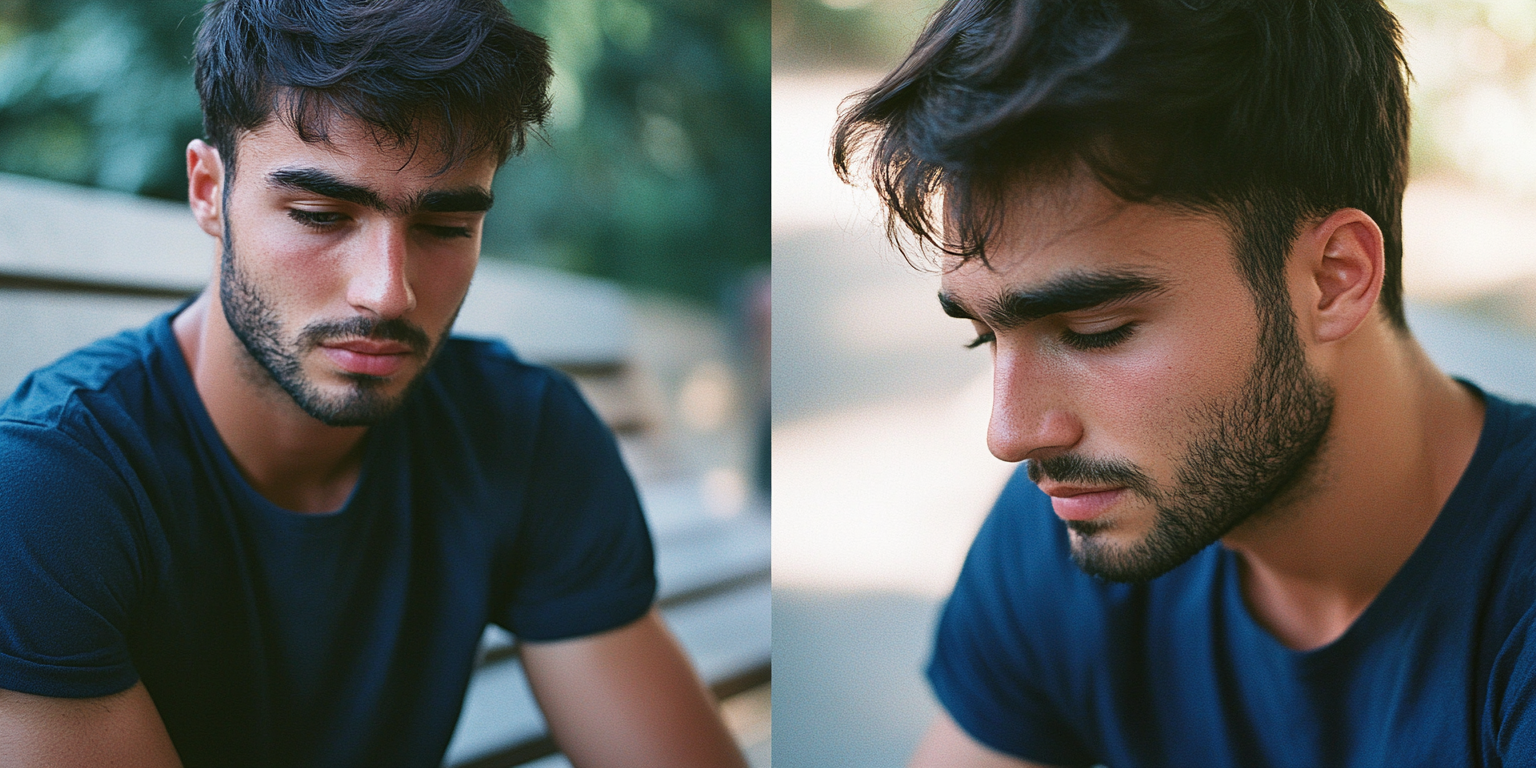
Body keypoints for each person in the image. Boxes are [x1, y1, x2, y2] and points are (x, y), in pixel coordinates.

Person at [0, 1, 747, 766]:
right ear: (206, 191)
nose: (388, 294)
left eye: (445, 228)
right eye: (321, 215)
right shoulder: (50, 492)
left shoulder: (523, 436)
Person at [833, 0, 1536, 765]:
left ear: (1334, 279)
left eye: (1095, 331)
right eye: (985, 336)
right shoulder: (1072, 526)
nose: (1011, 434)